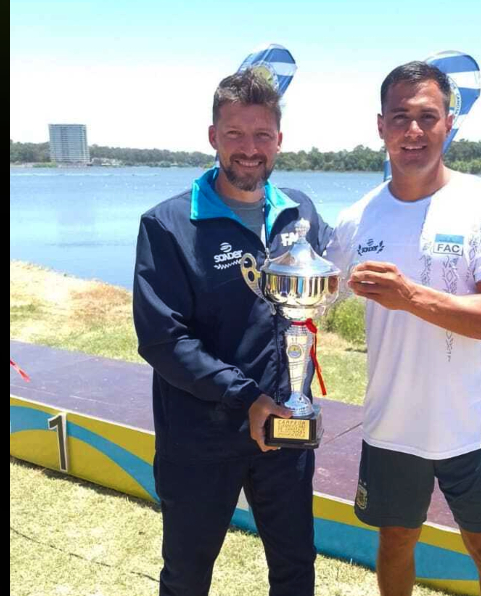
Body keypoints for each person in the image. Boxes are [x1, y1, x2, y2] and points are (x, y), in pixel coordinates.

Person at [326, 61, 481, 596]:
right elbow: (318, 295)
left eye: (427, 116)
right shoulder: (357, 218)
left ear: (449, 123)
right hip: (391, 424)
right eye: (400, 117)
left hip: (471, 426)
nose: (413, 130)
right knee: (395, 542)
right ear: (381, 126)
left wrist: (410, 296)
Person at [133, 69, 332, 596]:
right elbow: (163, 339)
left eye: (262, 134)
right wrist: (246, 397)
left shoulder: (299, 213)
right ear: (213, 137)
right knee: (187, 575)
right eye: (235, 134)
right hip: (200, 435)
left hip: (286, 425)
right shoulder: (168, 224)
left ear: (279, 140)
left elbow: (336, 276)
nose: (249, 149)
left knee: (295, 568)